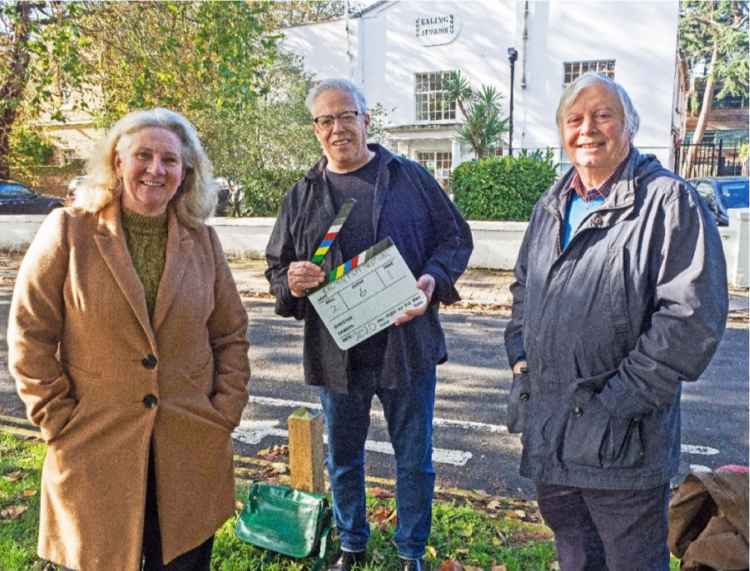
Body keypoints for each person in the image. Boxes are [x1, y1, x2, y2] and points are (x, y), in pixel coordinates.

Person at [7, 108, 251, 571]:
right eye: (143, 155)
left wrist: (224, 411)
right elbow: (30, 334)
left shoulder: (203, 243)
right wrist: (55, 417)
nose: (155, 170)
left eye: (170, 160)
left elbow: (230, 334)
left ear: (186, 173)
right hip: (93, 444)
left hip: (189, 444)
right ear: (117, 162)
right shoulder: (68, 231)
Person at [504, 72, 728, 571]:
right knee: (576, 557)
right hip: (551, 432)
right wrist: (521, 361)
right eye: (574, 118)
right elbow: (525, 289)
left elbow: (690, 321)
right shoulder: (551, 203)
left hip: (622, 442)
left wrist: (616, 406)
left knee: (631, 561)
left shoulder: (669, 201)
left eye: (603, 115)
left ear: (629, 126)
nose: (588, 128)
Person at [265, 79, 473, 571]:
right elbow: (278, 267)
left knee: (414, 462)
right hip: (336, 351)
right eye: (326, 120)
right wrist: (292, 280)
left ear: (366, 120)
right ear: (316, 130)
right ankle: (352, 544)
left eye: (347, 116)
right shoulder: (302, 195)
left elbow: (455, 239)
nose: (338, 128)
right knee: (342, 459)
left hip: (407, 346)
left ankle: (410, 552)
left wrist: (431, 279)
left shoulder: (411, 177)